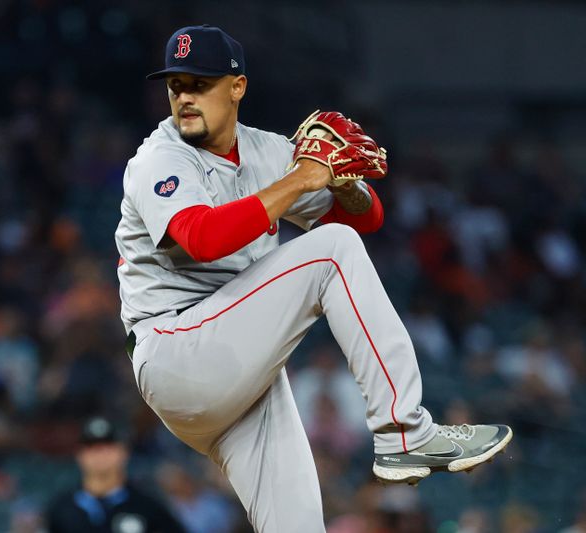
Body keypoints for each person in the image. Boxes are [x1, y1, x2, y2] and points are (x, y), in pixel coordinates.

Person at [114, 24, 513, 532]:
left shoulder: (266, 151)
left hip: (240, 372)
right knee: (332, 254)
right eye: (177, 86)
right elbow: (202, 237)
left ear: (237, 87)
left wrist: (344, 182)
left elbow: (365, 220)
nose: (185, 97)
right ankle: (405, 433)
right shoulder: (159, 158)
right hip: (175, 349)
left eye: (200, 83)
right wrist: (304, 176)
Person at [46, 416, 186, 533]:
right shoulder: (61, 509)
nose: (100, 455)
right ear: (80, 455)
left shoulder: (148, 508)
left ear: (124, 452)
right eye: (92, 448)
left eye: (108, 447)